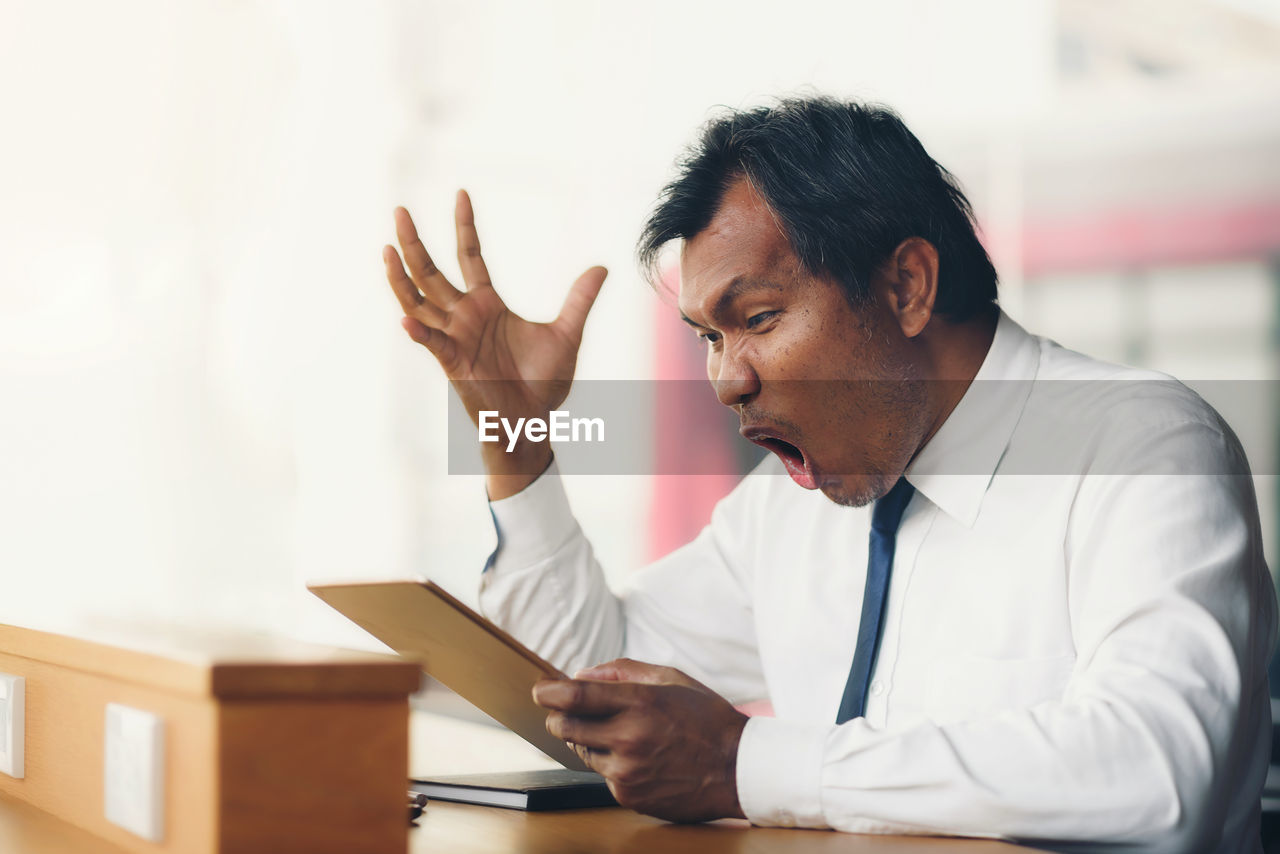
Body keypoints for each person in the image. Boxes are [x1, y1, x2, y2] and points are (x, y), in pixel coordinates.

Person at [381, 97, 1277, 852]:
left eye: (757, 317)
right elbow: (581, 693)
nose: (727, 379)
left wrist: (746, 764)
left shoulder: (1144, 453)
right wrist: (516, 439)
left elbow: (1159, 769)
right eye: (708, 336)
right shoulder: (792, 505)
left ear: (907, 288)